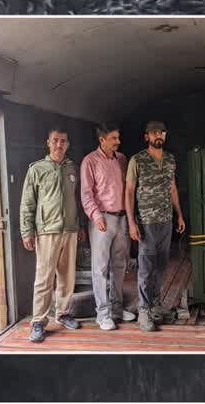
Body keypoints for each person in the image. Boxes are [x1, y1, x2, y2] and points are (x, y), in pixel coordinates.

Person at [19, 127, 82, 342]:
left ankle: (63, 313)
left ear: (67, 144)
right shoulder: (37, 169)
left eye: (63, 141)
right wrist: (27, 231)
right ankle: (38, 321)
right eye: (55, 140)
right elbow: (27, 203)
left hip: (70, 230)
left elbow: (75, 201)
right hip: (47, 231)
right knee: (44, 278)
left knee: (67, 276)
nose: (59, 145)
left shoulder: (71, 167)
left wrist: (78, 226)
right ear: (48, 142)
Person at [124, 120, 185, 332]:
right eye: (154, 133)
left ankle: (156, 304)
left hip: (166, 221)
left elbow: (173, 188)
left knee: (161, 265)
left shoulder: (169, 159)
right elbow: (130, 192)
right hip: (146, 223)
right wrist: (131, 222)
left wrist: (179, 215)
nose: (159, 136)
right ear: (147, 137)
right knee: (146, 268)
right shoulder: (137, 160)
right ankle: (143, 309)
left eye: (162, 132)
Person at [80, 122, 134, 330]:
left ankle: (117, 309)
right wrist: (95, 216)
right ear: (102, 140)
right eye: (113, 138)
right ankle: (102, 315)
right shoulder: (89, 161)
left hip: (121, 217)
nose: (118, 142)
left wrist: (129, 217)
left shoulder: (122, 159)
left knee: (119, 265)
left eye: (118, 138)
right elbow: (86, 193)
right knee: (100, 267)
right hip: (102, 219)